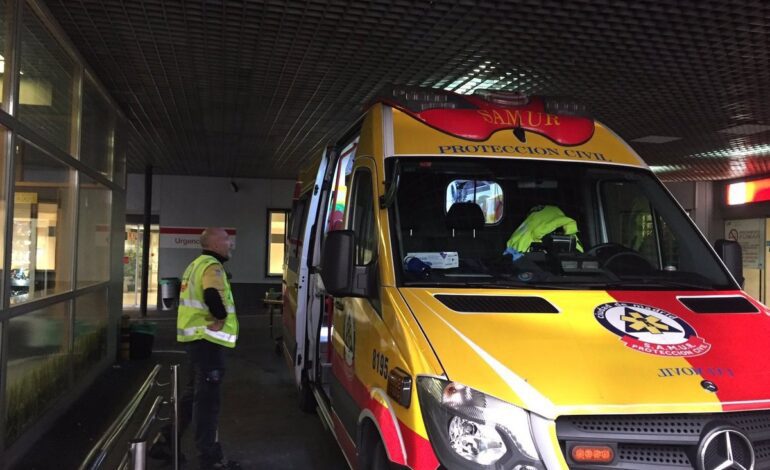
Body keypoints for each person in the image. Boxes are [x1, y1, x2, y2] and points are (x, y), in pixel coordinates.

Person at [151, 227, 240, 469]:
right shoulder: (212, 266)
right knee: (207, 401)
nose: (229, 244)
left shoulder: (195, 265)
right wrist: (220, 316)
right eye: (225, 240)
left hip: (196, 341)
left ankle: (167, 441)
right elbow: (212, 295)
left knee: (192, 396)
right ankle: (209, 456)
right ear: (213, 244)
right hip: (208, 341)